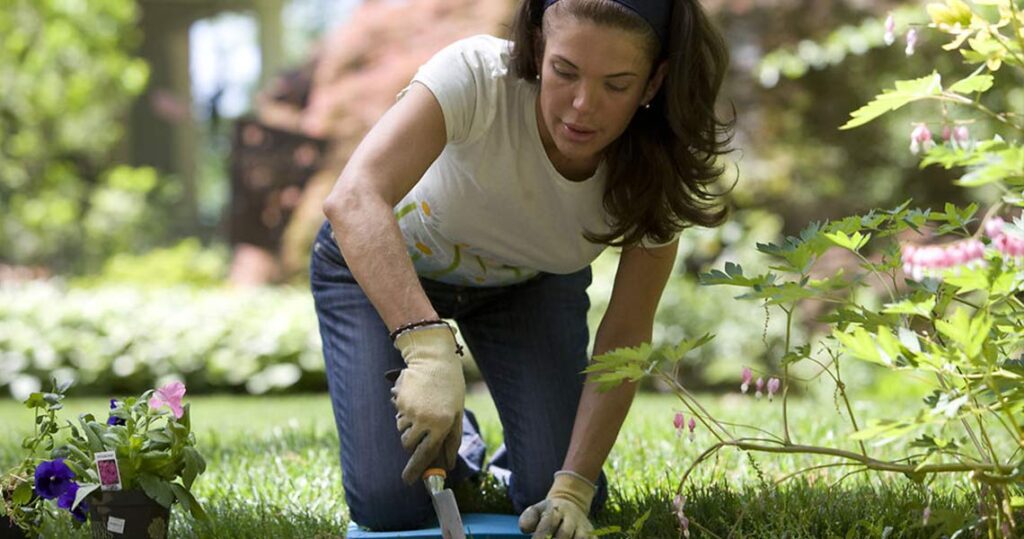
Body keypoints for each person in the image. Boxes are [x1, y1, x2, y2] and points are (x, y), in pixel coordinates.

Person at [310, 0, 732, 536]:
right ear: (538, 47)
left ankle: (466, 435)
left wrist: (575, 486)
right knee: (389, 505)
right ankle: (452, 432)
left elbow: (624, 336)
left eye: (617, 85)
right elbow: (353, 198)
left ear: (653, 83)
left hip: (527, 288)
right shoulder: (475, 77)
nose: (583, 106)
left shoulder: (658, 170)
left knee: (550, 493)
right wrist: (426, 348)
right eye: (565, 71)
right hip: (382, 270)